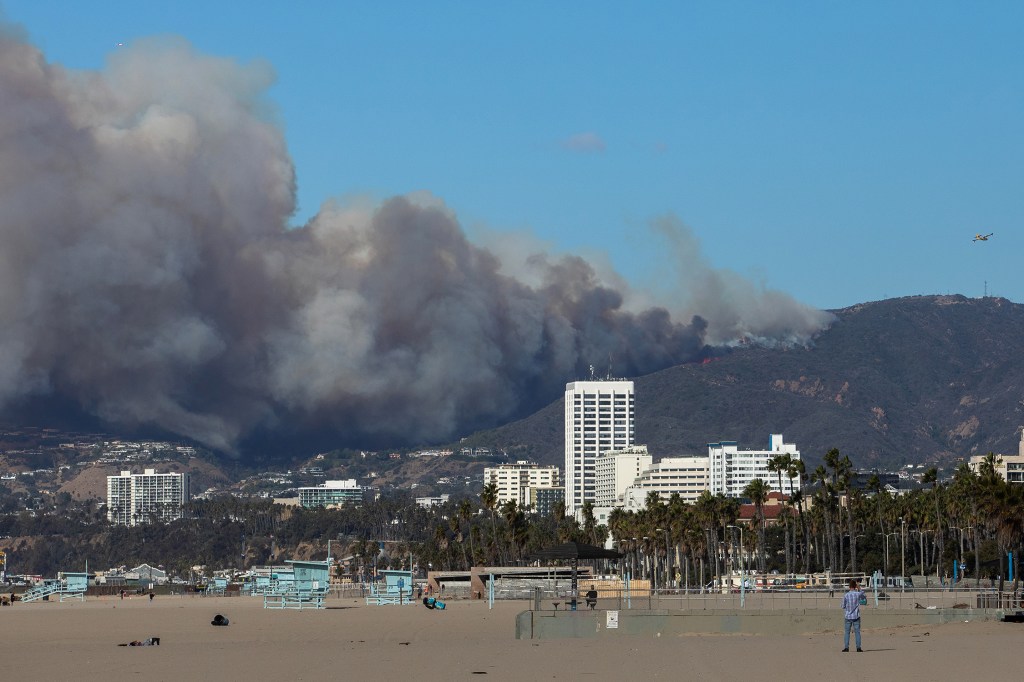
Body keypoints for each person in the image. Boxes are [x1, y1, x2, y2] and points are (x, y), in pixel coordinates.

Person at [841, 579, 865, 652]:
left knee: (847, 632)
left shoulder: (846, 595)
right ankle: (858, 648)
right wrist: (859, 587)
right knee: (857, 632)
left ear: (849, 586)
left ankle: (846, 647)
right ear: (855, 586)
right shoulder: (857, 594)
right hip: (856, 616)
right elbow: (863, 594)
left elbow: (842, 606)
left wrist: (847, 607)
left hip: (848, 616)